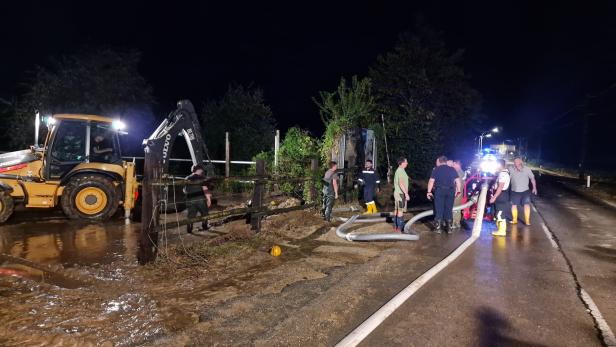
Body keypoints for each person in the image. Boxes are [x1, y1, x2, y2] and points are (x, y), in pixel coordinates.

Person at [427, 156, 461, 233]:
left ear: (439, 161)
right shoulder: (452, 169)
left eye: (436, 161)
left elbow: (431, 181)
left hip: (440, 190)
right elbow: (458, 181)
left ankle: (438, 228)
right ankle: (449, 228)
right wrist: (458, 191)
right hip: (451, 191)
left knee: (439, 208)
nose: (436, 163)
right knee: (449, 209)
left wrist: (429, 191)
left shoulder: (436, 169)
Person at [184, 164, 212, 234]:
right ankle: (205, 226)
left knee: (190, 215)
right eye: (201, 169)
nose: (202, 171)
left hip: (189, 200)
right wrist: (209, 199)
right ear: (199, 170)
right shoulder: (201, 178)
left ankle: (189, 230)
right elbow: (205, 189)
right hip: (200, 199)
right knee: (205, 213)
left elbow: (184, 190)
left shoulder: (187, 178)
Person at [509, 157, 537, 225]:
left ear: (521, 162)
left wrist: (534, 188)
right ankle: (514, 220)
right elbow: (506, 176)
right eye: (515, 162)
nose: (516, 163)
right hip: (514, 190)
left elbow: (532, 178)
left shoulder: (527, 169)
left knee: (526, 205)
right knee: (513, 205)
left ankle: (527, 221)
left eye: (517, 162)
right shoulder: (510, 169)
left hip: (525, 191)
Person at [490, 159, 511, 236]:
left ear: (499, 165)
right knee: (498, 213)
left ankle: (502, 231)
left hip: (501, 195)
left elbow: (500, 187)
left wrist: (494, 197)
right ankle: (500, 229)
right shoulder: (504, 173)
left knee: (500, 214)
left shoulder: (503, 174)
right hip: (501, 195)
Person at [393, 157, 410, 232]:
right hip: (401, 194)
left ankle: (395, 226)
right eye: (406, 162)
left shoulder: (400, 170)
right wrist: (406, 194)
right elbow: (400, 183)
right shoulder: (400, 171)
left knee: (397, 209)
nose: (407, 163)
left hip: (398, 193)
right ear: (402, 163)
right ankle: (400, 227)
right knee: (400, 210)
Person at [451, 159, 466, 229]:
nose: (453, 166)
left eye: (454, 164)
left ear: (457, 164)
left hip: (456, 193)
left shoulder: (458, 173)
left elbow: (458, 184)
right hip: (460, 193)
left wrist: (456, 193)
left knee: (454, 208)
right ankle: (457, 222)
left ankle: (453, 223)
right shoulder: (462, 172)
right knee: (458, 208)